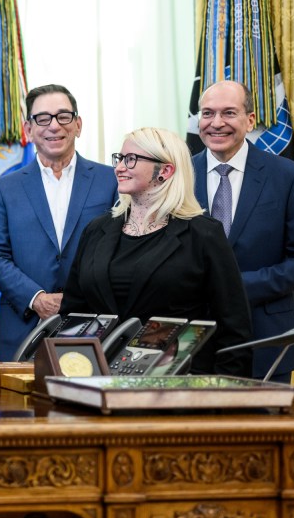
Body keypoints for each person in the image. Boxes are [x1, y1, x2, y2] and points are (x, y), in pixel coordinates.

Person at [60, 127, 252, 375]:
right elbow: (73, 315)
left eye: (131, 159)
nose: (119, 168)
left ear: (165, 171)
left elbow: (233, 326)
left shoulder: (204, 234)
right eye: (120, 158)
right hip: (98, 380)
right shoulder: (96, 230)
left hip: (178, 383)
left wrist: (224, 391)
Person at [0, 84, 119, 360]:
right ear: (28, 129)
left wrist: (77, 298)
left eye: (63, 116)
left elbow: (120, 249)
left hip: (92, 325)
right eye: (43, 118)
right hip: (22, 326)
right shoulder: (5, 188)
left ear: (78, 125)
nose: (54, 126)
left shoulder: (111, 180)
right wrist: (37, 298)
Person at [193, 80, 294, 382]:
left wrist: (234, 288)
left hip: (265, 343)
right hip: (192, 345)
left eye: (228, 113)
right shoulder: (177, 177)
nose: (216, 123)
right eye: (207, 113)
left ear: (250, 120)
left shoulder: (288, 177)